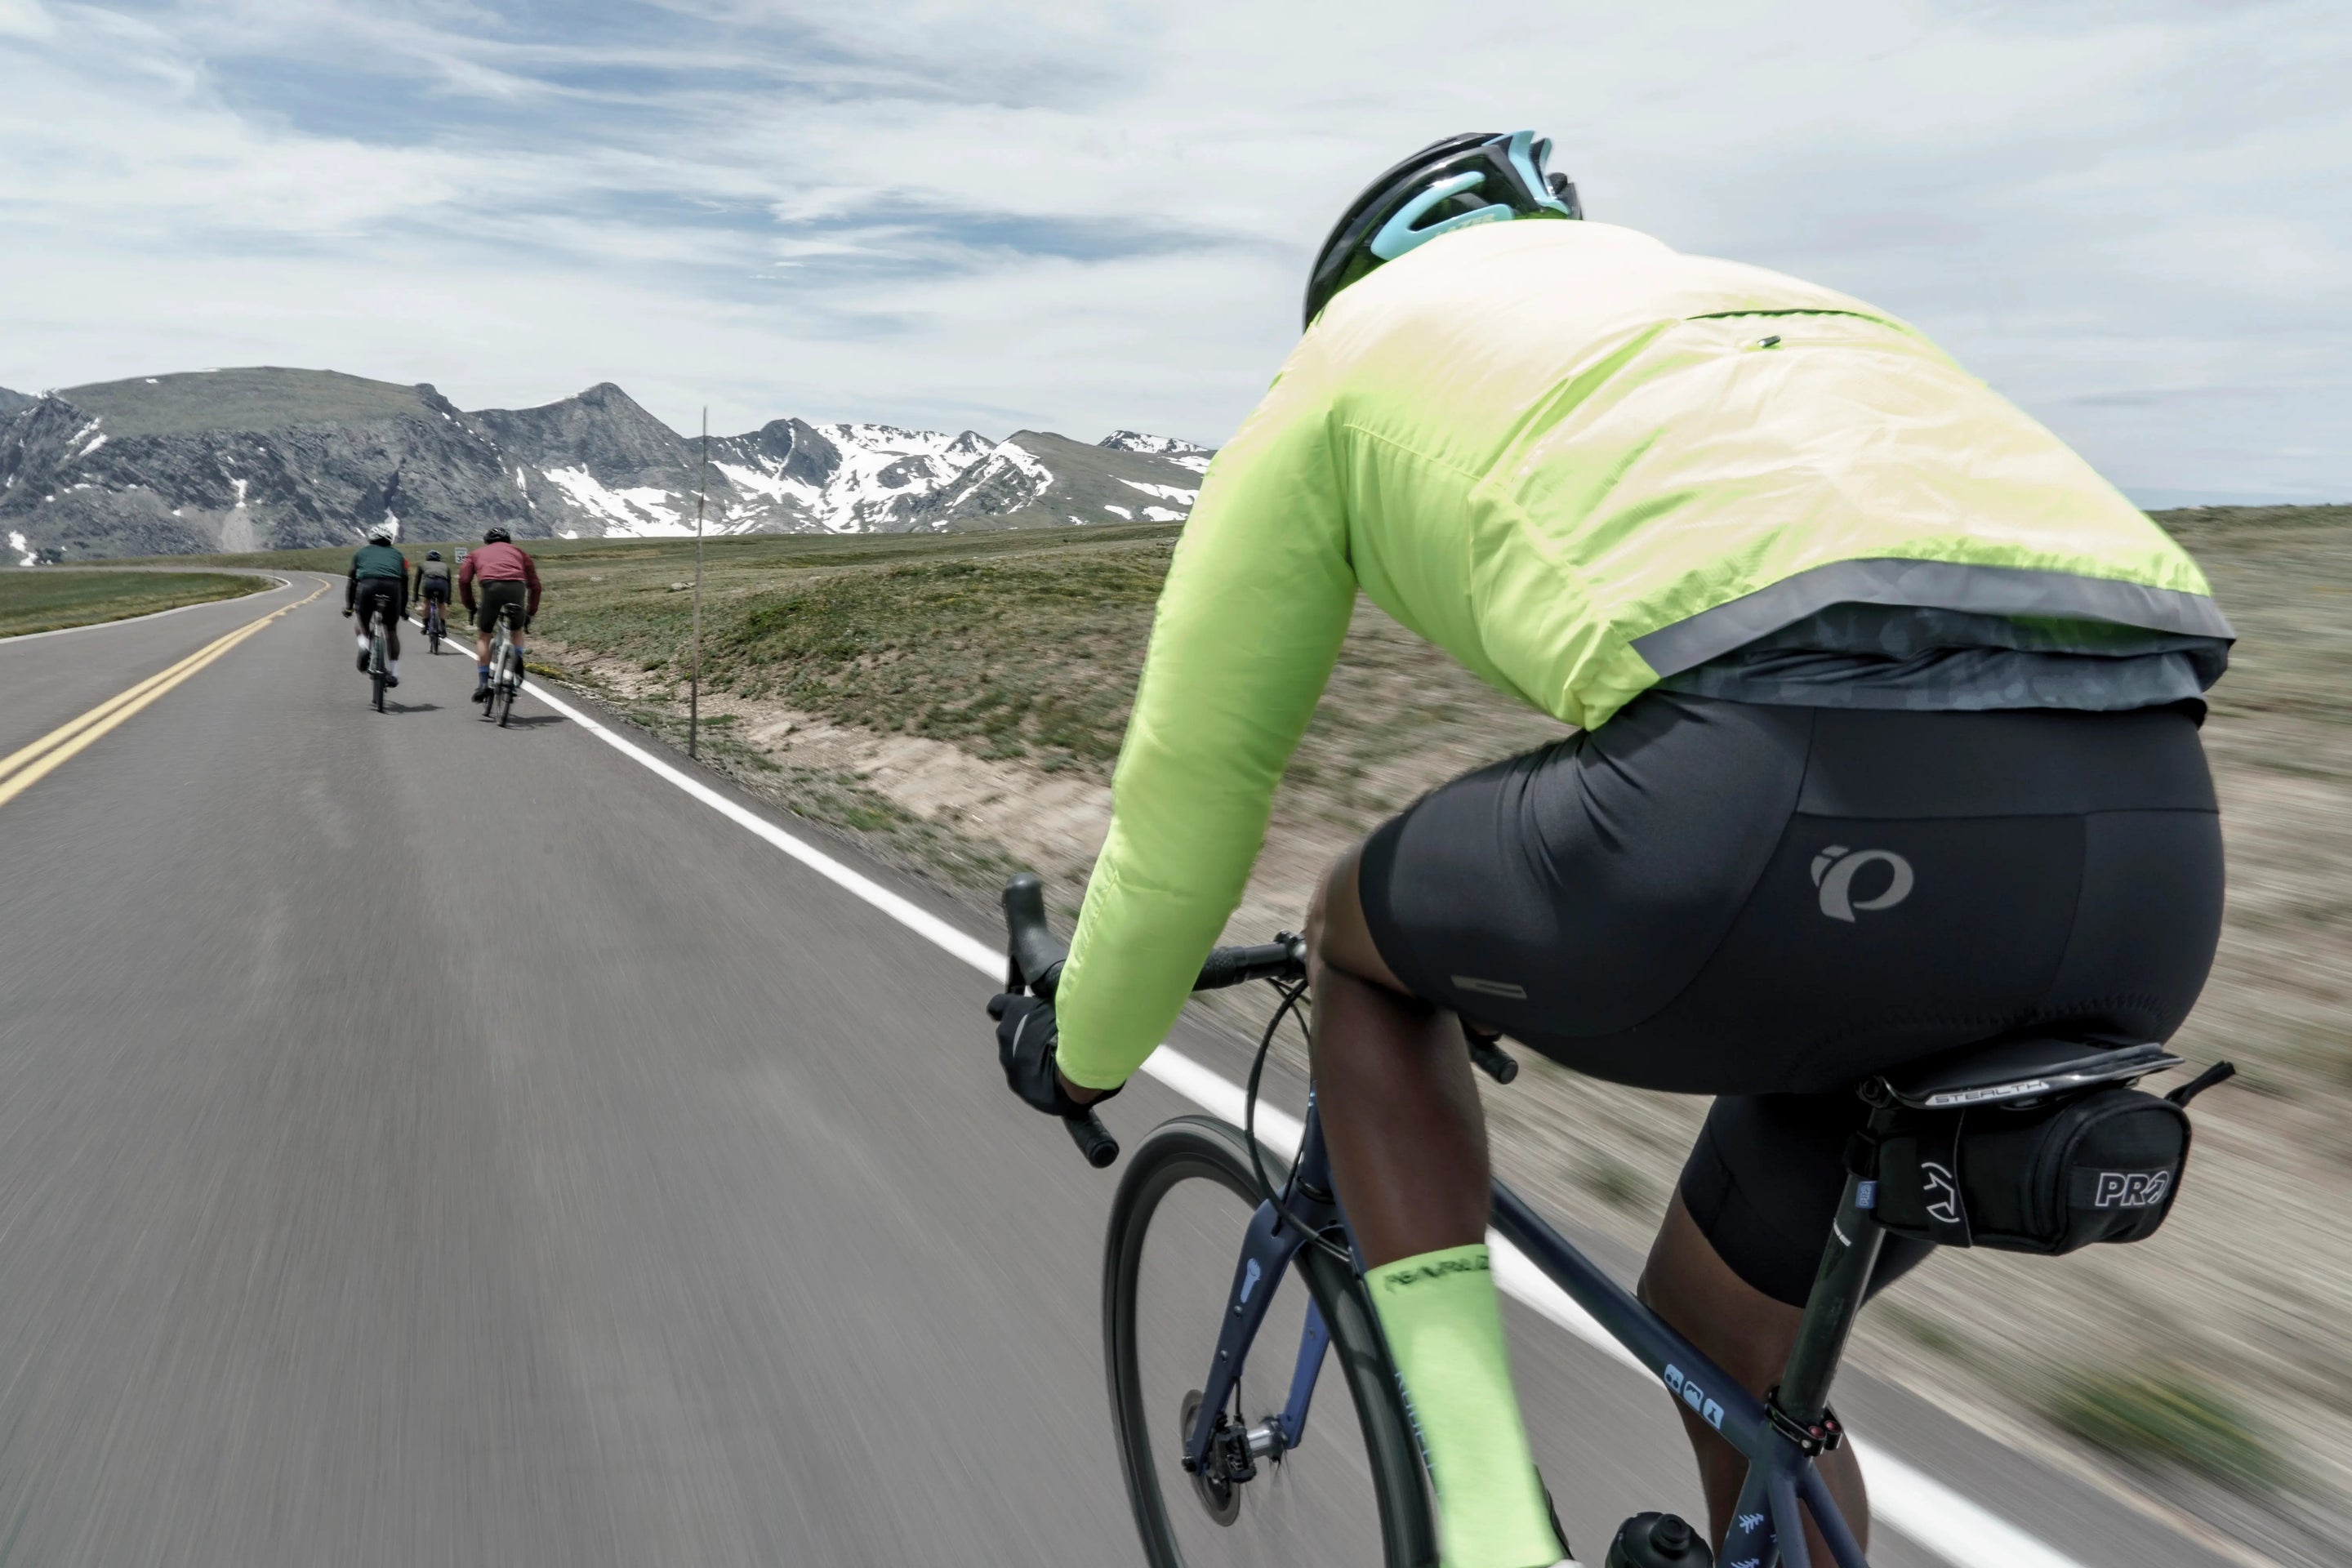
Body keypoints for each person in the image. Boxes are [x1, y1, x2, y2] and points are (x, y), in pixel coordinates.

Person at [991, 131, 2229, 1568]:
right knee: (1730, 1341)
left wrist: (1079, 1053)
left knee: (1357, 935)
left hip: (1781, 804)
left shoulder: (1341, 363)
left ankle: (1490, 1526)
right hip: (2153, 859)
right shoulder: (1766, 309)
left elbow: (1188, 803)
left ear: (1347, 287)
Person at [459, 526, 541, 702]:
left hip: (491, 587)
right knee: (516, 629)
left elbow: (464, 580)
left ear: (487, 541)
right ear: (508, 541)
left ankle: (483, 684)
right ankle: (517, 657)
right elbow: (535, 585)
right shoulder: (520, 552)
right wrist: (530, 612)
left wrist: (471, 606)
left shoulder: (476, 553)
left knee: (484, 634)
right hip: (517, 587)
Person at [342, 527, 408, 688]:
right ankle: (394, 673)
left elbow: (352, 581)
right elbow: (405, 583)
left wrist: (349, 607)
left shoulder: (360, 553)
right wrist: (403, 609)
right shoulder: (398, 555)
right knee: (391, 630)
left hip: (368, 586)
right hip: (392, 589)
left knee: (362, 622)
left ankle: (365, 646)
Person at [412, 549, 453, 637]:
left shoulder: (423, 564)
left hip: (429, 583)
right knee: (441, 604)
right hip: (443, 584)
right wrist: (448, 599)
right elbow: (449, 583)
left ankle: (425, 625)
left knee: (426, 602)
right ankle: (442, 627)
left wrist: (415, 597)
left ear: (427, 558)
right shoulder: (445, 566)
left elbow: (417, 581)